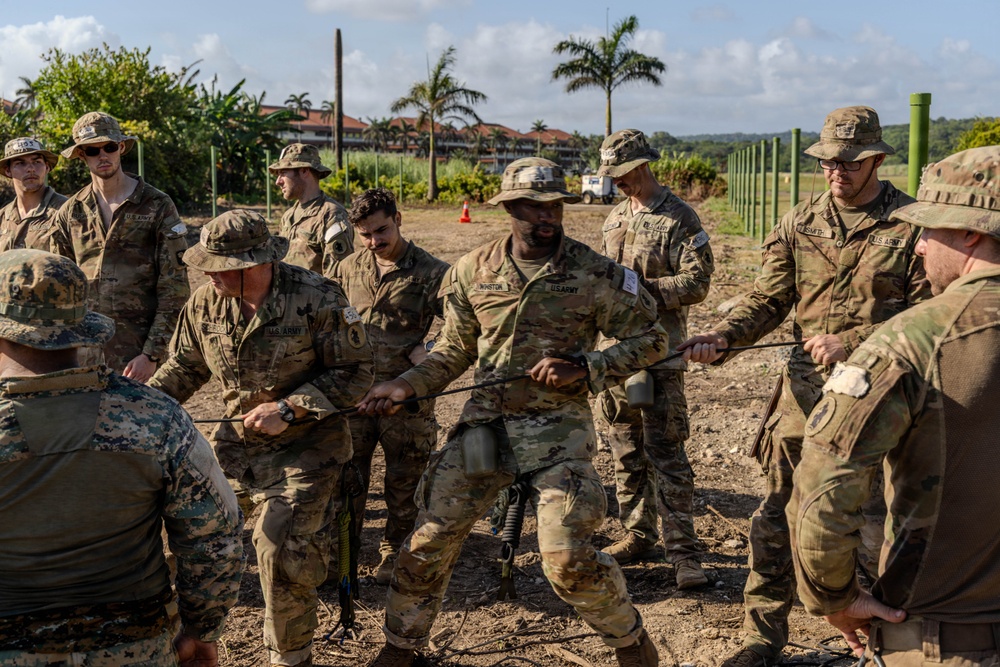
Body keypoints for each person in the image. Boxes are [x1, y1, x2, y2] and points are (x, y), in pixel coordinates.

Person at [359, 157, 670, 667]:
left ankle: (632, 645)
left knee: (566, 558)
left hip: (557, 433)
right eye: (532, 205)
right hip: (485, 429)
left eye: (554, 205)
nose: (546, 215)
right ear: (508, 208)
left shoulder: (595, 273)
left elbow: (653, 339)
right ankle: (401, 649)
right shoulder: (471, 271)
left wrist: (586, 366)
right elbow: (454, 350)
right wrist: (404, 385)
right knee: (425, 545)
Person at [678, 106, 931, 667]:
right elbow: (769, 299)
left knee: (874, 523)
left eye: (849, 162)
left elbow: (929, 315)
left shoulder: (910, 225)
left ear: (876, 160)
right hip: (806, 393)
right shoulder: (800, 221)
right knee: (776, 514)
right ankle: (761, 637)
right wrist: (724, 337)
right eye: (828, 162)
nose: (836, 171)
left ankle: (882, 641)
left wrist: (855, 340)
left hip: (880, 395)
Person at [788, 145, 1000, 667]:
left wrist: (834, 597)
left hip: (947, 639)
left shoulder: (912, 339)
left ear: (971, 232)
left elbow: (824, 487)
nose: (920, 245)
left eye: (929, 229)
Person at [148, 209, 373, 667]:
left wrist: (290, 409)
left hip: (308, 450)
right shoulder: (205, 303)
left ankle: (291, 658)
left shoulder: (318, 296)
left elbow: (356, 371)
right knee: (179, 535)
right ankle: (173, 645)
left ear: (254, 263)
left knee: (277, 547)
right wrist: (136, 405)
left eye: (217, 266)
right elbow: (184, 367)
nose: (207, 273)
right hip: (234, 451)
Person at [0, 249, 242, 666]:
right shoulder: (157, 416)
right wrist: (202, 630)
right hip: (136, 647)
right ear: (82, 326)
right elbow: (215, 537)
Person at [595, 129, 714, 589]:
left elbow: (697, 282)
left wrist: (642, 291)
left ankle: (683, 552)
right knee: (625, 450)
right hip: (617, 357)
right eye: (612, 175)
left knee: (667, 454)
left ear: (643, 165)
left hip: (661, 354)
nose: (617, 182)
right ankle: (638, 535)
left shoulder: (679, 217)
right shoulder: (614, 219)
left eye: (623, 173)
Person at [331, 187, 449, 585]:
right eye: (364, 234)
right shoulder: (348, 268)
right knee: (348, 478)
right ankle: (342, 552)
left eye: (381, 231)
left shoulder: (432, 271)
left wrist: (428, 348)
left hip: (407, 398)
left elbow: (463, 324)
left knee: (405, 482)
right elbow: (326, 317)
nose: (373, 242)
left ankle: (395, 551)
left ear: (398, 219)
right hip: (356, 397)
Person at [54, 111, 190, 382]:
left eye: (109, 147)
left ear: (122, 148)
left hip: (138, 356)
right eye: (92, 150)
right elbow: (60, 287)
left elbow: (174, 287)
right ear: (81, 155)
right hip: (84, 354)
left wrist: (152, 355)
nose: (102, 155)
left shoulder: (157, 205)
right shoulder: (70, 212)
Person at [269, 142, 353, 277]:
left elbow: (338, 275)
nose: (278, 181)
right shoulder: (288, 216)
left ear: (304, 171)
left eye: (283, 173)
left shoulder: (331, 215)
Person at [0, 137, 69, 253]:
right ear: (8, 170)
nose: (31, 169)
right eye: (20, 163)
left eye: (37, 162)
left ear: (47, 167)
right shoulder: (2, 218)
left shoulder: (66, 211)